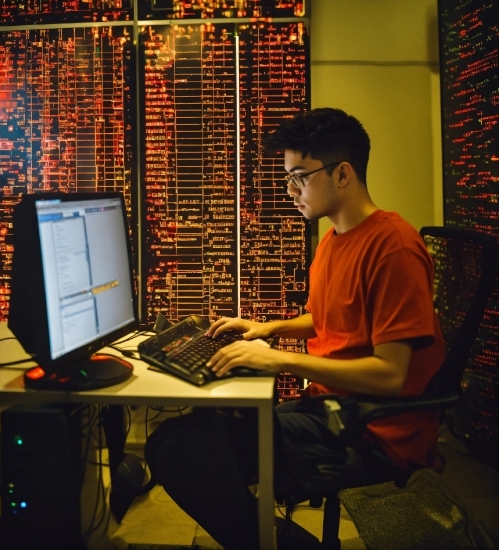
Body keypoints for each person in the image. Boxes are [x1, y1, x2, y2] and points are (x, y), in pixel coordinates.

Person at [144, 108, 445, 549]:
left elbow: (390, 373)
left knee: (180, 452)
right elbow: (331, 318)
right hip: (332, 408)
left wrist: (279, 358)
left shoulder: (393, 247)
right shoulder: (333, 239)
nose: (291, 191)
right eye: (288, 178)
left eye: (300, 177)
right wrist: (271, 328)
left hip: (374, 433)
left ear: (342, 174)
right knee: (196, 433)